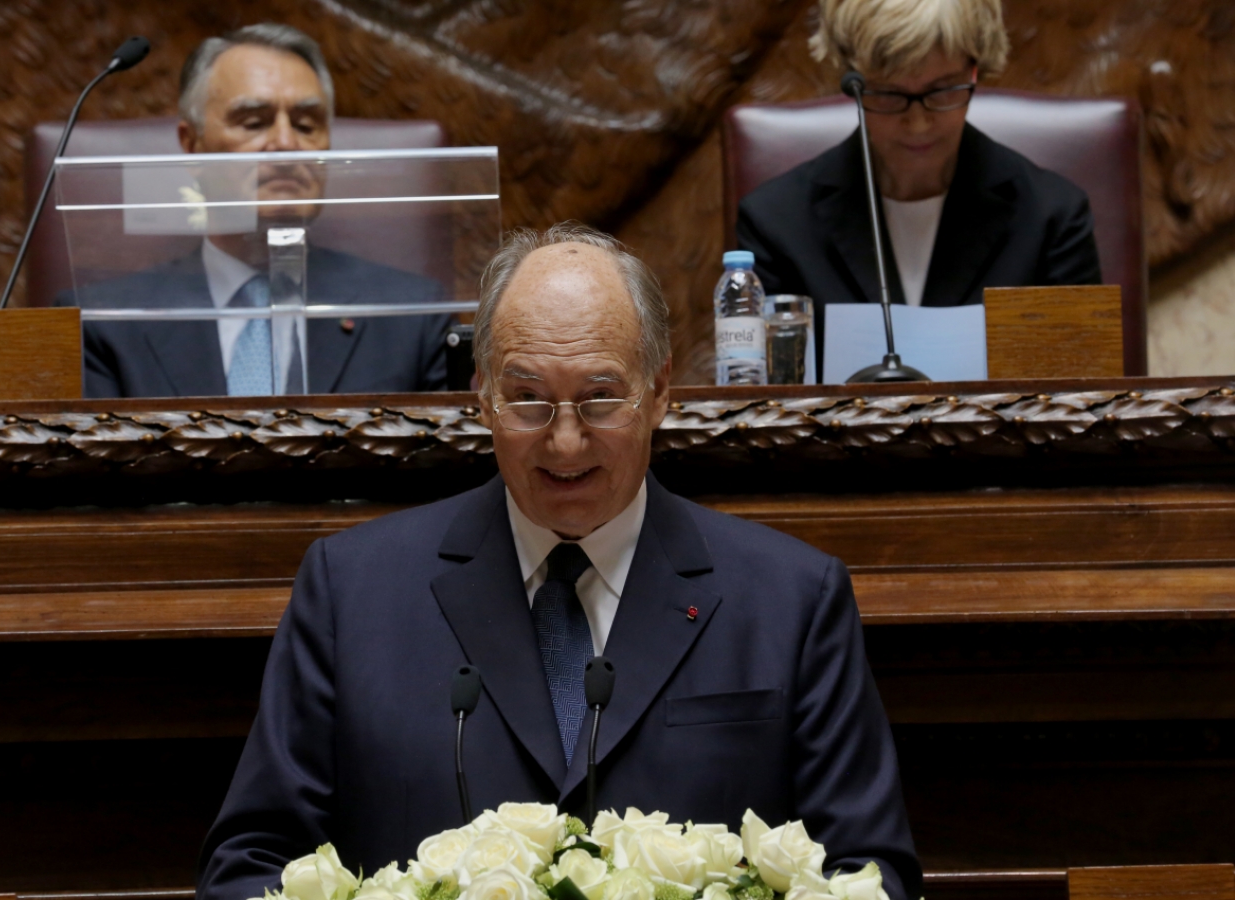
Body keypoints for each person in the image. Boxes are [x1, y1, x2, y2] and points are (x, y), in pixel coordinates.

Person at [196, 223, 922, 900]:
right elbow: (249, 865)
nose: (565, 443)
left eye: (601, 400)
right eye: (528, 401)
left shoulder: (790, 600)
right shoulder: (352, 593)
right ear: (480, 393)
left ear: (661, 389)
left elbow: (871, 871)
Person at [69, 24, 451, 398]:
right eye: (254, 123)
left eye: (305, 125)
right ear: (192, 145)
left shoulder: (413, 316)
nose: (286, 144)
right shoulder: (102, 323)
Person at [736, 0, 1101, 315]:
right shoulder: (775, 223)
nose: (918, 123)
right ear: (851, 81)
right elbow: (762, 387)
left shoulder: (1053, 219)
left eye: (942, 91)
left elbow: (1081, 388)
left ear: (974, 71)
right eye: (890, 94)